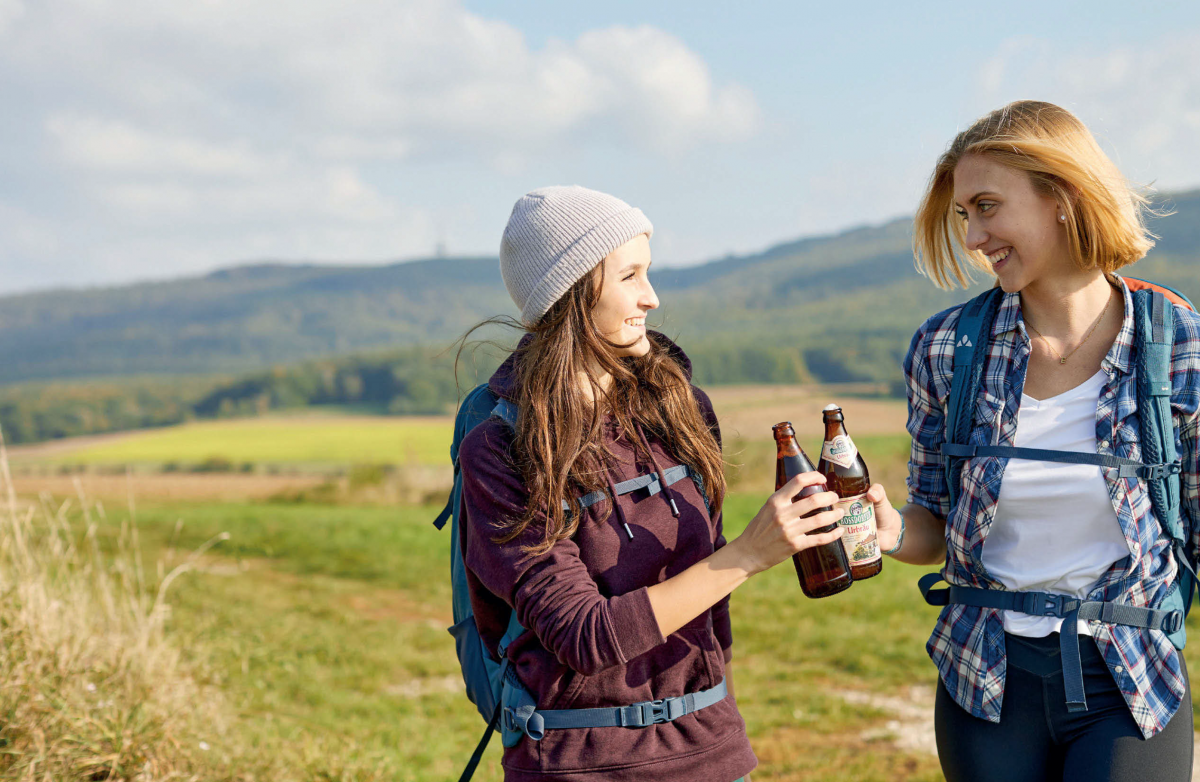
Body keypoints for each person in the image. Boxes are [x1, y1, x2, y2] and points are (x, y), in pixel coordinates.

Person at [457, 185, 845, 782]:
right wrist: (749, 554)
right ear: (570, 293)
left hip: (711, 750)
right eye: (631, 276)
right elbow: (585, 636)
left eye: (649, 273)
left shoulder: (680, 407)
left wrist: (723, 737)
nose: (652, 298)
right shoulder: (501, 449)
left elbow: (711, 614)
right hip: (581, 765)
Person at [865, 100, 1199, 781]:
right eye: (964, 214)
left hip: (1129, 678)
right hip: (984, 681)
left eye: (987, 206)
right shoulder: (946, 349)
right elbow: (932, 524)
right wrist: (886, 530)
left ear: (1063, 198)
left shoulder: (1178, 344)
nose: (973, 234)